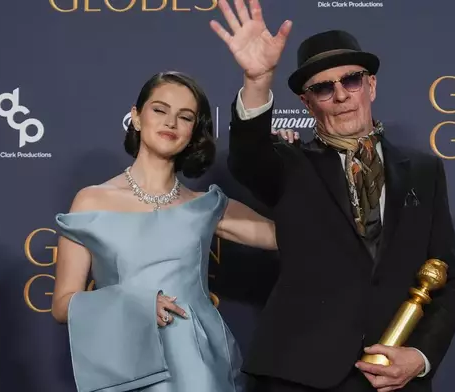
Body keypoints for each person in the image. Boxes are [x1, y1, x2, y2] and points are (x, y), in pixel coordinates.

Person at [210, 1, 455, 391]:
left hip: (391, 374)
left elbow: (447, 276)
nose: (341, 95)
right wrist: (258, 79)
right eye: (323, 88)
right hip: (297, 374)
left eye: (351, 80)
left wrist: (421, 356)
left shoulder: (423, 170)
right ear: (306, 102)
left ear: (371, 85)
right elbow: (247, 157)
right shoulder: (289, 164)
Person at [51, 71, 298, 392]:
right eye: (159, 110)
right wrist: (134, 304)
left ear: (193, 132)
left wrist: (296, 166)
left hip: (199, 366)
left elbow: (292, 237)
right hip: (126, 363)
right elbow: (62, 304)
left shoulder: (205, 205)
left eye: (185, 117)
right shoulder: (91, 201)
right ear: (136, 117)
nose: (170, 123)